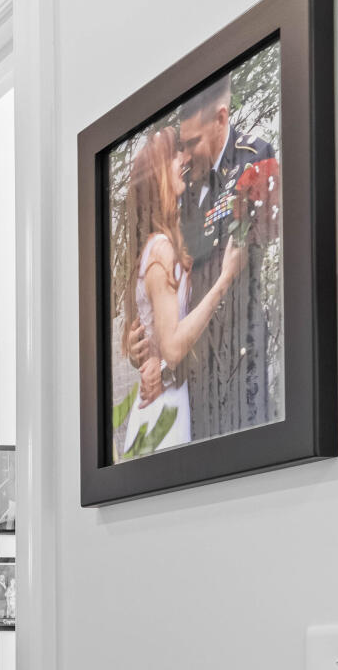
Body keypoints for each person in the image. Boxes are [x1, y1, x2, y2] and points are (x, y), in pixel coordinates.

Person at [114, 122, 246, 458]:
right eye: (176, 155)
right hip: (165, 408)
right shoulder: (160, 249)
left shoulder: (151, 246)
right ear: (159, 173)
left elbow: (147, 341)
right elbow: (172, 348)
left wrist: (143, 356)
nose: (184, 159)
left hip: (162, 402)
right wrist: (225, 279)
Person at [168, 77, 278, 438]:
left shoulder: (255, 159)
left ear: (221, 117)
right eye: (182, 145)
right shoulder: (183, 184)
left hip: (241, 348)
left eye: (193, 142)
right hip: (196, 361)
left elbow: (257, 242)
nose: (186, 155)